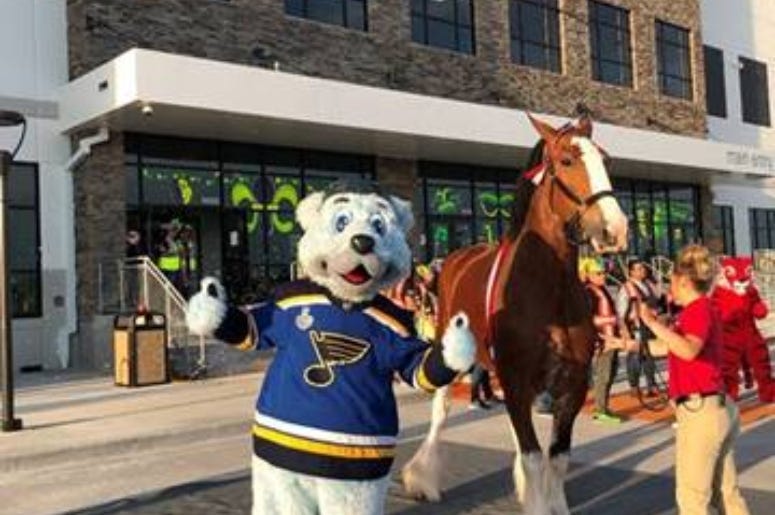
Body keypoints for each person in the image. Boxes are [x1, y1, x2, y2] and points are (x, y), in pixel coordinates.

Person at [636, 244, 750, 515]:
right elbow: (672, 348)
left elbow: (688, 349)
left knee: (692, 499)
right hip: (715, 407)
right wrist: (625, 344)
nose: (668, 287)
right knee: (726, 493)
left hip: (701, 412)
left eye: (671, 280)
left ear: (684, 281)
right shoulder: (702, 310)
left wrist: (653, 324)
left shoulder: (696, 310)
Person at [580, 257, 623, 424]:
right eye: (598, 273)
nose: (603, 275)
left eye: (604, 272)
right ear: (589, 275)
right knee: (603, 374)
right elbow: (588, 319)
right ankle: (600, 410)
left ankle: (604, 406)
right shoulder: (588, 292)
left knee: (611, 372)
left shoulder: (602, 290)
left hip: (613, 338)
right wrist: (599, 338)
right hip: (604, 339)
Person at [617, 258, 659, 398]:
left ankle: (652, 384)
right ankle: (634, 386)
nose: (643, 271)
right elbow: (621, 312)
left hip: (650, 324)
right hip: (635, 326)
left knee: (650, 354)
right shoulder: (626, 288)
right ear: (631, 271)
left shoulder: (649, 285)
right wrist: (624, 330)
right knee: (635, 356)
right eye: (639, 269)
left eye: (643, 268)